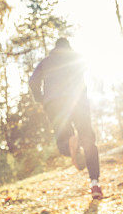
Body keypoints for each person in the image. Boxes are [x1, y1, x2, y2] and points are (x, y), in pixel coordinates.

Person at [29, 38, 103, 199]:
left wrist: (40, 98)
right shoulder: (77, 57)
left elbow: (33, 81)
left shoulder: (46, 62)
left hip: (54, 103)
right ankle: (95, 184)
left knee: (63, 143)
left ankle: (72, 144)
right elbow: (95, 72)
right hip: (78, 101)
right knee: (88, 139)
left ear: (55, 48)